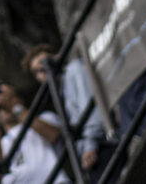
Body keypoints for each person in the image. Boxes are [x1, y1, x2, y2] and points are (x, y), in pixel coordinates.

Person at [25, 45, 109, 175]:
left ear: (55, 57)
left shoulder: (74, 70)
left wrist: (90, 147)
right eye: (36, 71)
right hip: (91, 151)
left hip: (100, 146)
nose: (42, 70)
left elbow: (91, 108)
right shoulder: (62, 89)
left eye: (43, 63)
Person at [0, 83, 67, 184]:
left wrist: (14, 107)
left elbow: (54, 136)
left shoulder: (46, 118)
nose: (4, 106)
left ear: (20, 99)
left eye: (9, 98)